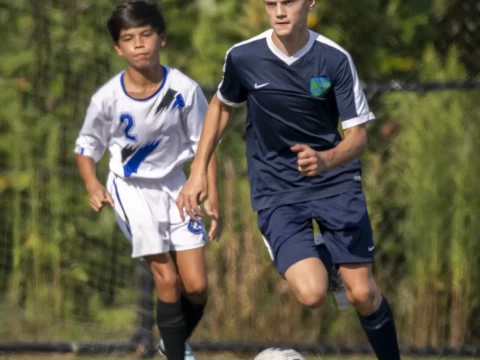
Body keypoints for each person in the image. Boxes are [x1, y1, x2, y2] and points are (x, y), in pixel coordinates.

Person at [176, 0, 401, 358]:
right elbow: (220, 107)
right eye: (271, 3)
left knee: (363, 295)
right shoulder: (243, 57)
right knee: (312, 293)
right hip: (277, 188)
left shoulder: (334, 59)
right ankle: (332, 266)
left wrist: (326, 159)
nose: (280, 12)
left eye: (289, 2)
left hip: (335, 181)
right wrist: (199, 170)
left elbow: (358, 138)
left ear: (309, 3)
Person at [74, 1, 221, 359]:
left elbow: (206, 144)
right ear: (117, 47)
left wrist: (210, 192)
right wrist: (92, 184)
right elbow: (86, 148)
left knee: (197, 287)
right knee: (167, 280)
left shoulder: (183, 90)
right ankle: (176, 354)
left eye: (146, 34)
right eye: (128, 38)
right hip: (131, 190)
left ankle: (170, 342)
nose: (139, 44)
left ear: (162, 38)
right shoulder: (107, 98)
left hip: (177, 187)